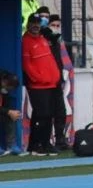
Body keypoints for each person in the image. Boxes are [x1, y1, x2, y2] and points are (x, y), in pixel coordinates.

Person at [22, 13, 61, 156]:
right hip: (38, 85)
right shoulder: (26, 41)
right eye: (33, 22)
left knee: (42, 115)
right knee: (43, 115)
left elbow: (50, 61)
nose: (35, 26)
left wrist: (55, 76)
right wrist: (38, 78)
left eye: (38, 23)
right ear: (28, 24)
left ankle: (36, 144)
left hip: (49, 84)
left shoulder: (43, 39)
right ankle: (41, 144)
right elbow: (27, 65)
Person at [34, 7, 70, 150]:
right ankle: (42, 142)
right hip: (44, 82)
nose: (55, 28)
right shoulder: (42, 39)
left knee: (60, 111)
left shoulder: (55, 40)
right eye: (53, 25)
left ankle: (60, 139)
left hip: (56, 80)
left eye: (57, 25)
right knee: (45, 113)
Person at [0, 69, 25, 157]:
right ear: (4, 81)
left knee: (11, 116)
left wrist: (10, 112)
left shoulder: (4, 89)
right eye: (8, 87)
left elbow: (6, 105)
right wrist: (9, 111)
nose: (8, 89)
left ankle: (11, 145)